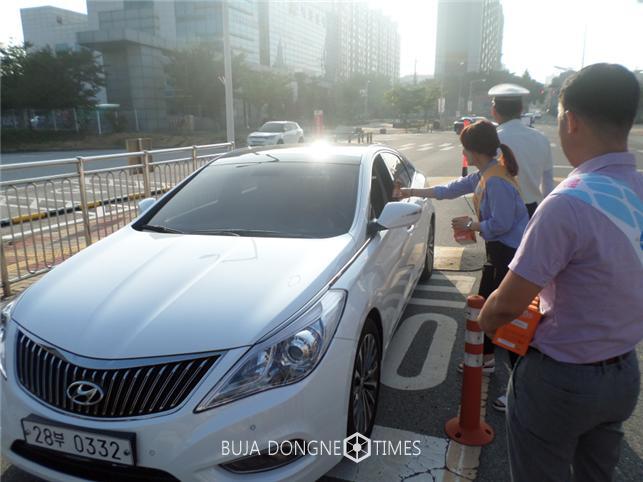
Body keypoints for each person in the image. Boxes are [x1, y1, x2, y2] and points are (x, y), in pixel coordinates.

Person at [477, 63, 643, 482]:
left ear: (571, 121)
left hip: (561, 378)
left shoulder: (569, 202)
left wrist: (486, 322)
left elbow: (507, 304)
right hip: (624, 372)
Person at [398, 120, 529, 387]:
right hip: (499, 252)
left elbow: (502, 224)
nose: (463, 153)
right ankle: (488, 360)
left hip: (509, 254)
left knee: (503, 316)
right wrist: (409, 192)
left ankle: (518, 387)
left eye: (465, 148)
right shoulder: (486, 173)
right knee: (486, 308)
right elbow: (449, 190)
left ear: (474, 151)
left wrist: (471, 225)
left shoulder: (496, 181)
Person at [489, 83, 554, 218]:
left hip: (499, 212)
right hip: (533, 211)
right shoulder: (541, 138)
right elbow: (547, 183)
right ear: (521, 110)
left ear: (494, 110)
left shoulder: (491, 139)